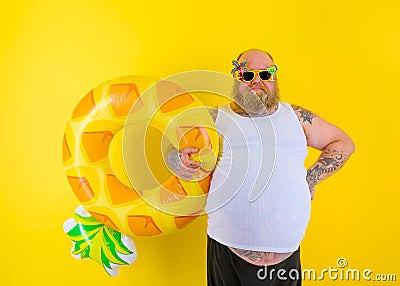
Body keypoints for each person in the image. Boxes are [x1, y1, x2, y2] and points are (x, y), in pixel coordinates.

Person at [167, 49, 355, 285]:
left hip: (286, 259)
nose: (257, 81)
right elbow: (172, 151)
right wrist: (178, 161)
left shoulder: (296, 117)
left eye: (265, 74)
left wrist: (311, 179)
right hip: (227, 254)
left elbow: (343, 143)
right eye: (247, 75)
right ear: (235, 79)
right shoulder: (214, 118)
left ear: (274, 79)